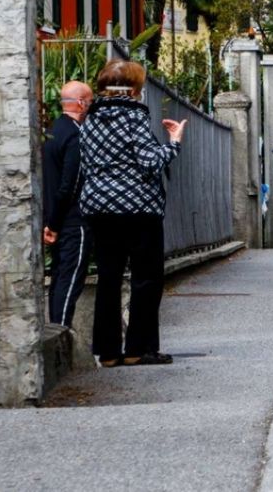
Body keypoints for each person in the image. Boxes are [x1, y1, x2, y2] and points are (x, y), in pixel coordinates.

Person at [79, 60, 186, 367]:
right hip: (138, 208)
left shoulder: (90, 119)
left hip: (99, 207)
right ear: (136, 89)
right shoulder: (134, 117)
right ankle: (139, 348)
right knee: (146, 277)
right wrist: (174, 142)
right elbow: (151, 162)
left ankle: (108, 351)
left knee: (109, 277)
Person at [43, 80, 94, 328]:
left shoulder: (53, 130)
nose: (91, 106)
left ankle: (55, 328)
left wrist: (50, 221)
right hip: (73, 220)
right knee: (71, 279)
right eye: (91, 101)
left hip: (55, 218)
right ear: (81, 103)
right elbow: (70, 184)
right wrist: (55, 221)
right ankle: (62, 331)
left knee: (59, 278)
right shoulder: (75, 135)